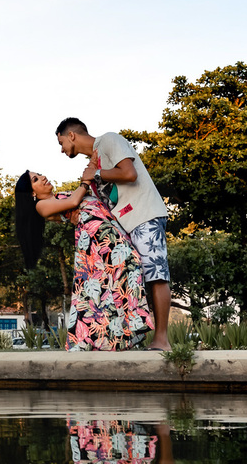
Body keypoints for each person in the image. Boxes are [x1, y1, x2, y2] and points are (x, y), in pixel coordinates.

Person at [55, 118, 171, 350]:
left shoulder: (109, 140)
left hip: (144, 214)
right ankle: (140, 338)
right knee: (139, 278)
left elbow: (129, 174)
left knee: (156, 274)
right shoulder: (94, 163)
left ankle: (162, 340)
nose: (61, 149)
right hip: (127, 225)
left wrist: (96, 174)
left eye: (61, 142)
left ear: (72, 135)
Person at [14, 171, 154, 351]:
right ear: (32, 193)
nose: (42, 177)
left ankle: (119, 338)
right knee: (121, 278)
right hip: (100, 240)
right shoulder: (41, 205)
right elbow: (73, 204)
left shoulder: (62, 196)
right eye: (35, 179)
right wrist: (85, 181)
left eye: (40, 174)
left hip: (111, 235)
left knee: (110, 289)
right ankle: (119, 336)